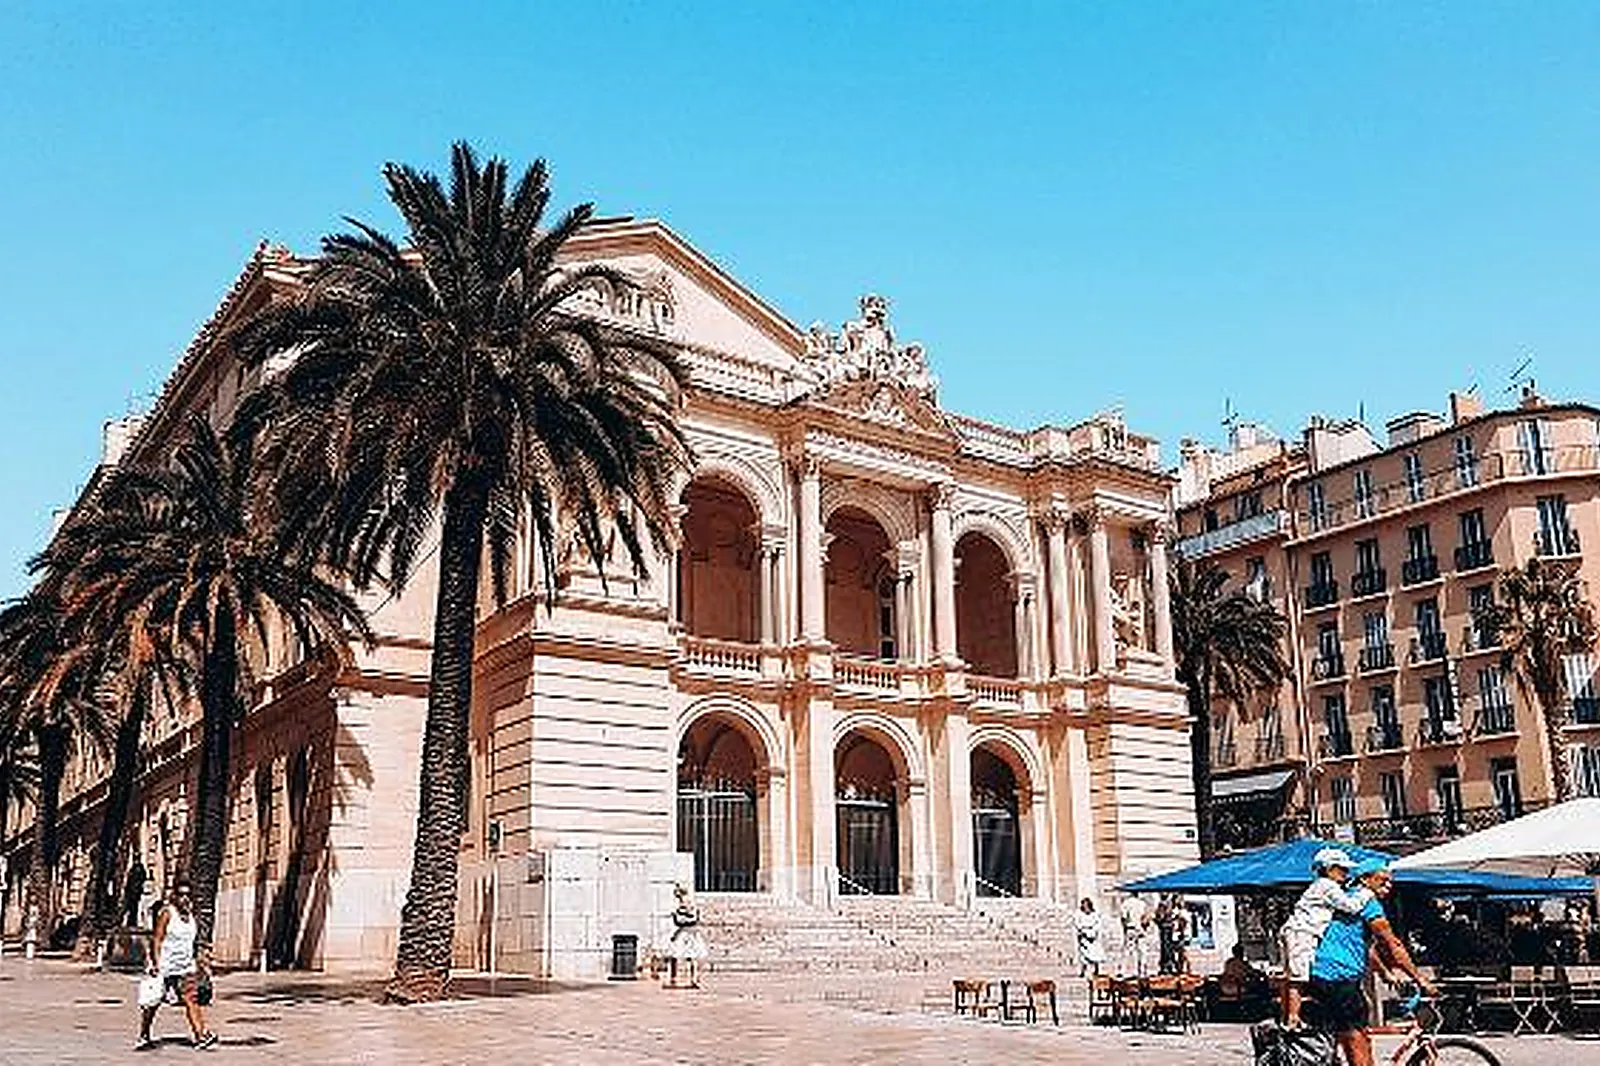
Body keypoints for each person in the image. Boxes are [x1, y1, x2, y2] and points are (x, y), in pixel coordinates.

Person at [1305, 858, 1433, 1066]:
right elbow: (1393, 944)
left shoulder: (1346, 898)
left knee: (1351, 1032)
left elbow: (1366, 948)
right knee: (1357, 1037)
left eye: (1390, 882)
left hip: (1319, 974)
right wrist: (1420, 979)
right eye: (1382, 881)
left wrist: (1384, 973)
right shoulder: (1367, 903)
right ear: (1365, 879)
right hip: (1338, 976)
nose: (1389, 886)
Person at [1280, 848, 1373, 1028]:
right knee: (1298, 977)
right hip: (1302, 933)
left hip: (1296, 931)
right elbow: (1351, 906)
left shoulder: (1321, 885)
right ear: (1330, 869)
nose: (1346, 873)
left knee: (1291, 975)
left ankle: (1287, 1015)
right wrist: (1366, 893)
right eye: (1343, 869)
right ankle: (1292, 1018)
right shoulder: (1327, 886)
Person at [138, 879, 215, 1051]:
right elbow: (157, 939)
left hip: (185, 966)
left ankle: (201, 1035)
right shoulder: (167, 913)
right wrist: (155, 963)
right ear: (174, 896)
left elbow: (192, 942)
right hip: (165, 965)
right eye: (181, 894)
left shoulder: (191, 916)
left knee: (191, 999)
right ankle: (144, 1034)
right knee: (153, 1002)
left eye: (188, 895)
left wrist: (200, 960)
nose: (185, 898)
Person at [665, 883, 706, 989]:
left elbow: (693, 919)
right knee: (675, 955)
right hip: (684, 932)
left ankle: (694, 979)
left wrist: (684, 915)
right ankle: (674, 978)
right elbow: (678, 921)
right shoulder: (678, 906)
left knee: (692, 956)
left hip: (690, 933)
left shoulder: (690, 905)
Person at [1074, 897, 1106, 977]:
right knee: (1084, 955)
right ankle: (1083, 971)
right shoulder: (1079, 914)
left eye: (1087, 905)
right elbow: (1077, 923)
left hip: (1093, 936)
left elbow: (1098, 923)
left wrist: (1093, 932)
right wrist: (1082, 931)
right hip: (1084, 936)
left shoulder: (1095, 914)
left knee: (1095, 953)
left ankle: (1096, 969)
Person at [1119, 893, 1150, 976]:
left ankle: (1123, 971)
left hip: (1131, 928)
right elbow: (1146, 917)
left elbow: (1123, 918)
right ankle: (1142, 971)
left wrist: (1124, 928)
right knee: (1142, 951)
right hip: (1140, 929)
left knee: (1128, 950)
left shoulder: (1126, 903)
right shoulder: (1142, 903)